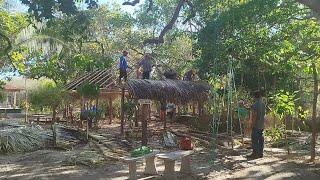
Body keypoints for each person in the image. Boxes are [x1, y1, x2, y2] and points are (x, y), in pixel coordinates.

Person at [247, 90, 266, 159]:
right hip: (261, 124)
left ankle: (254, 154)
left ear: (254, 97)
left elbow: (255, 115)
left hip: (256, 125)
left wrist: (252, 124)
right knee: (261, 139)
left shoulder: (255, 104)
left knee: (254, 139)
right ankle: (260, 153)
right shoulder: (263, 104)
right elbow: (263, 114)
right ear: (260, 96)